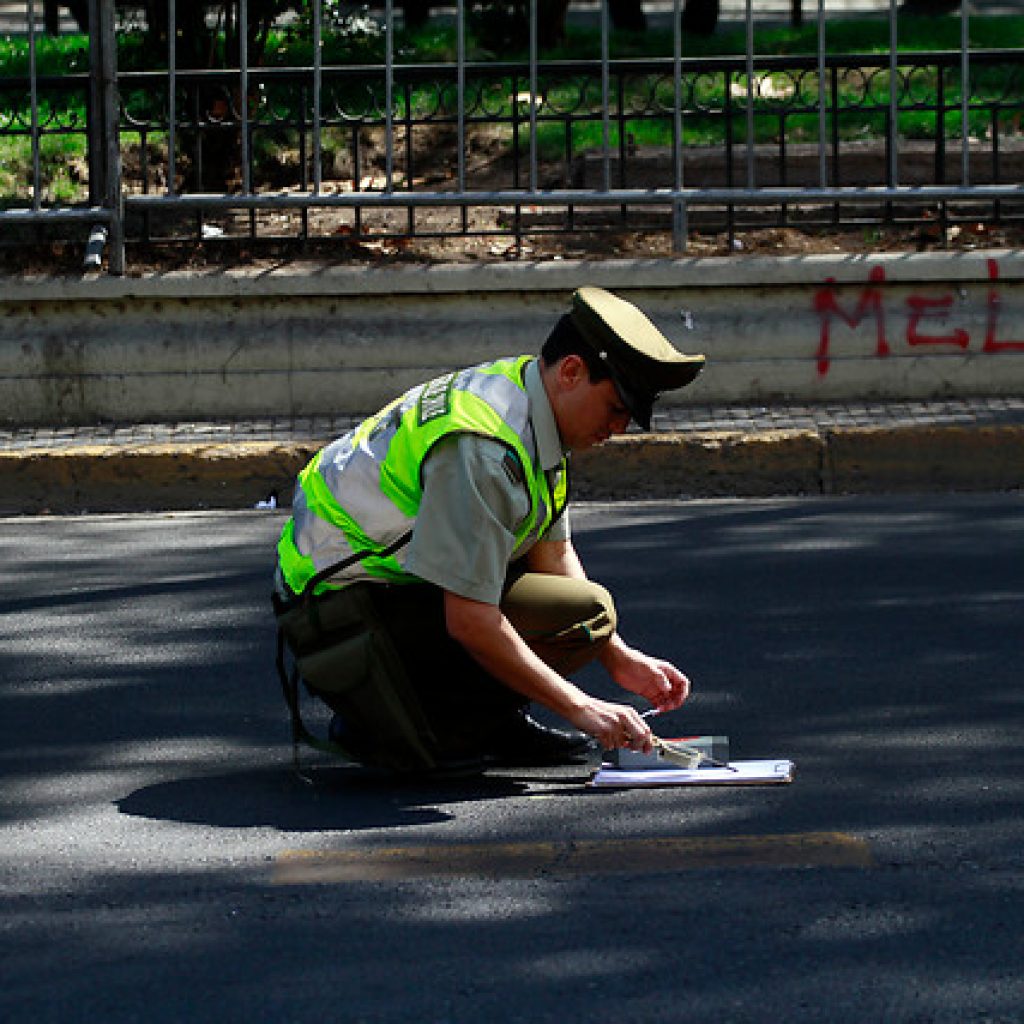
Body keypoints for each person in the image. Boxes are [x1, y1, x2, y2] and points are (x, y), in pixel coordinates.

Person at [272, 286, 706, 775]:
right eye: (616, 408)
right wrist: (581, 707)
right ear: (571, 372)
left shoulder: (529, 397)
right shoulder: (482, 448)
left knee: (588, 615)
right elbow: (469, 619)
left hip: (390, 589)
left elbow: (552, 555)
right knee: (575, 613)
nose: (621, 428)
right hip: (339, 610)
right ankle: (403, 723)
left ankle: (485, 720)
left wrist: (617, 656)